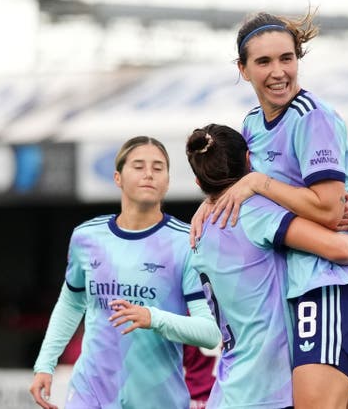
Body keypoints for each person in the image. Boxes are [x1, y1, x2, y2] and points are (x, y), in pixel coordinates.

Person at [191, 9, 348, 408]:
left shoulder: (312, 119)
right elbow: (245, 190)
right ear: (243, 69)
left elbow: (328, 211)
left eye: (286, 58)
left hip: (328, 283)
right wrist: (209, 204)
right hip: (304, 285)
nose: (278, 72)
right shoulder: (252, 123)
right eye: (263, 61)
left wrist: (259, 182)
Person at [185, 124, 348, 409]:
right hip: (266, 389)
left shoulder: (201, 228)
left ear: (199, 184)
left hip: (229, 388)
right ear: (250, 160)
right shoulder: (255, 212)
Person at [29, 136, 221, 409]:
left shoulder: (187, 242)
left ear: (167, 181)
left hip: (156, 398)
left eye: (158, 168)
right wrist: (45, 364)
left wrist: (152, 317)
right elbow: (71, 303)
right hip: (90, 392)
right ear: (118, 177)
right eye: (138, 166)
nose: (148, 175)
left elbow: (209, 333)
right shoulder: (87, 237)